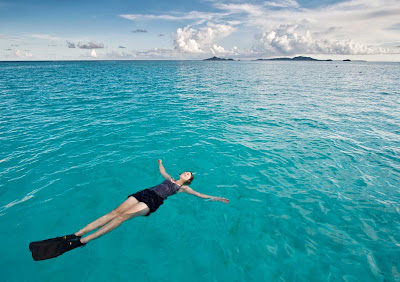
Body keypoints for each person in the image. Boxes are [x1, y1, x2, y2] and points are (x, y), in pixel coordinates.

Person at [29, 159, 230, 261]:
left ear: (188, 180)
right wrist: (160, 163)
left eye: (189, 174)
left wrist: (217, 198)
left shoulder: (183, 188)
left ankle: (82, 241)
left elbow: (200, 195)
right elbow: (162, 171)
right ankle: (75, 234)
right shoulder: (170, 178)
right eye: (186, 171)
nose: (187, 172)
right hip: (144, 193)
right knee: (113, 213)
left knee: (122, 218)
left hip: (154, 200)